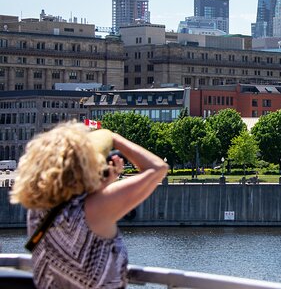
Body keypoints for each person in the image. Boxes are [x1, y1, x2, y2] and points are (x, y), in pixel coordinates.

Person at [10, 121, 168, 288]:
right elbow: (158, 168)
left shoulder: (36, 209)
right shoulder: (95, 208)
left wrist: (103, 184)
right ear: (83, 165)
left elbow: (68, 203)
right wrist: (112, 137)